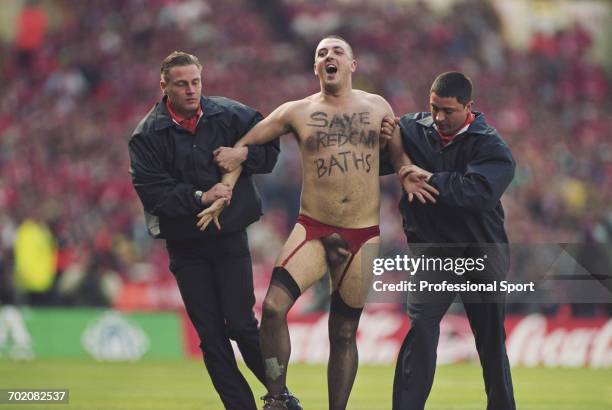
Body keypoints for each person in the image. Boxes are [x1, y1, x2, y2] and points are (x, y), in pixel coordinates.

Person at [199, 36, 437, 410]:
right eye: (321, 53)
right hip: (313, 228)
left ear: (352, 65)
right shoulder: (297, 110)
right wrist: (226, 187)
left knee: (343, 332)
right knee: (274, 308)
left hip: (362, 233)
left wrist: (405, 170)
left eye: (337, 51)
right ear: (315, 68)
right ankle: (277, 398)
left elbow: (397, 152)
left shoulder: (378, 106)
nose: (329, 56)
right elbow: (241, 149)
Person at [128, 51, 301, 410]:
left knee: (242, 325)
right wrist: (200, 196)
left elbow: (270, 149)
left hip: (228, 238)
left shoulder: (231, 115)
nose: (191, 90)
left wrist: (243, 157)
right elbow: (153, 192)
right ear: (164, 86)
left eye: (195, 82)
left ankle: (280, 396)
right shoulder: (146, 135)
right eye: (181, 84)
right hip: (186, 246)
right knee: (211, 337)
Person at [385, 71, 517, 410]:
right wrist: (384, 138)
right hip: (435, 252)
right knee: (421, 330)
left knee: (490, 342)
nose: (439, 118)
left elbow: (478, 193)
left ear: (469, 107)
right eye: (434, 109)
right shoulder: (413, 130)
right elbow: (384, 149)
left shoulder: (491, 146)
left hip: (480, 252)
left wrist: (430, 178)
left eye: (448, 111)